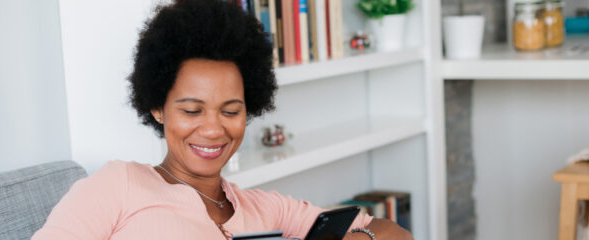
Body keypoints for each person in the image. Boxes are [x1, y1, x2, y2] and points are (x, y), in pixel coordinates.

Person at [32, 0, 412, 239]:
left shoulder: (267, 209)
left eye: (231, 111)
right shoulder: (118, 186)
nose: (214, 129)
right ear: (158, 108)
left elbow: (395, 233)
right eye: (192, 110)